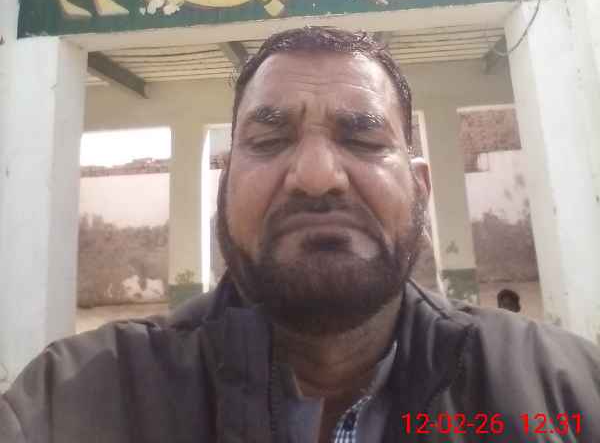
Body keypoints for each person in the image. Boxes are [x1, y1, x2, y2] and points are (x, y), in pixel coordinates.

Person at [1, 26, 599, 442]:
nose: (316, 177)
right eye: (269, 141)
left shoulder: (567, 395)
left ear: (420, 188)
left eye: (362, 139)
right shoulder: (71, 401)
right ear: (225, 186)